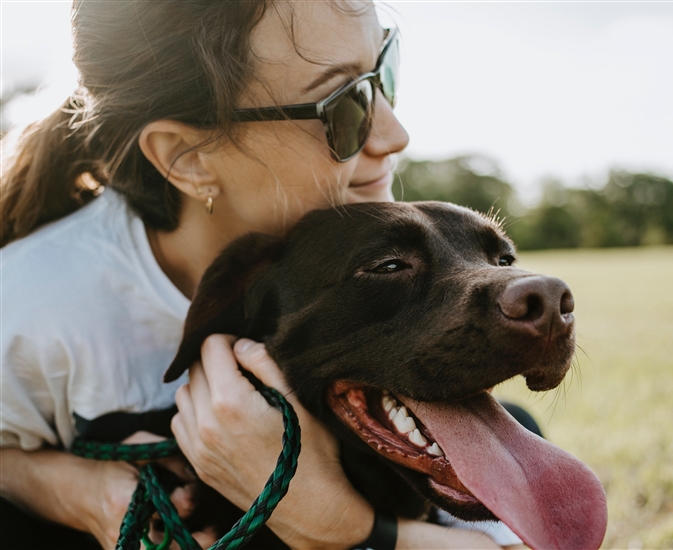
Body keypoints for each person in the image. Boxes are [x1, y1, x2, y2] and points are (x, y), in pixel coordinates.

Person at [0, 1, 526, 548]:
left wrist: (338, 523)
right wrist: (68, 489)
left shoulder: (346, 231)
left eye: (383, 72)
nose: (395, 134)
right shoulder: (32, 303)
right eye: (343, 105)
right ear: (188, 159)